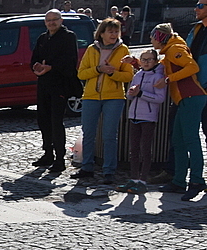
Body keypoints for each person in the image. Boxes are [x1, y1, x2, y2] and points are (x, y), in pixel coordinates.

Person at [72, 17, 134, 184]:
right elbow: (81, 73)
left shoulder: (123, 49)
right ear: (102, 33)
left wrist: (112, 73)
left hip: (114, 97)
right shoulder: (92, 49)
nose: (114, 34)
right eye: (110, 31)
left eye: (116, 31)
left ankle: (109, 170)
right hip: (91, 97)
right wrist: (98, 69)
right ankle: (87, 167)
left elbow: (128, 75)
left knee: (109, 135)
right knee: (88, 133)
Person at [150, 23, 207, 201]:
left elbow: (192, 67)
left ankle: (197, 180)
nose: (151, 40)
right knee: (178, 140)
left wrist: (169, 79)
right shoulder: (169, 51)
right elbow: (158, 68)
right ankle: (179, 181)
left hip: (192, 96)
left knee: (191, 139)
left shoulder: (175, 49)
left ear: (160, 37)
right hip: (184, 99)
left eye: (152, 37)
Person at [30, 9, 81, 173]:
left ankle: (60, 159)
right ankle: (48, 154)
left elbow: (70, 61)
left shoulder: (68, 37)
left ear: (61, 20)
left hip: (60, 84)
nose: (51, 23)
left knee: (56, 121)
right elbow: (34, 58)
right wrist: (36, 67)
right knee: (43, 120)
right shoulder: (42, 38)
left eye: (54, 19)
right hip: (43, 84)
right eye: (48, 20)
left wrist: (51, 67)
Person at [117, 49, 166, 194]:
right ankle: (133, 179)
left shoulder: (158, 77)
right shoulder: (138, 74)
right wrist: (132, 93)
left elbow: (160, 98)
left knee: (145, 149)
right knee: (133, 149)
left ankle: (143, 181)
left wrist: (141, 94)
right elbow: (130, 96)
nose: (146, 62)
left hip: (148, 117)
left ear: (155, 61)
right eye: (143, 59)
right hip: (134, 115)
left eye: (149, 59)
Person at [187, 0, 207, 142]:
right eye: (196, 5)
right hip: (194, 86)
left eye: (200, 6)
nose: (196, 9)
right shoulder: (196, 29)